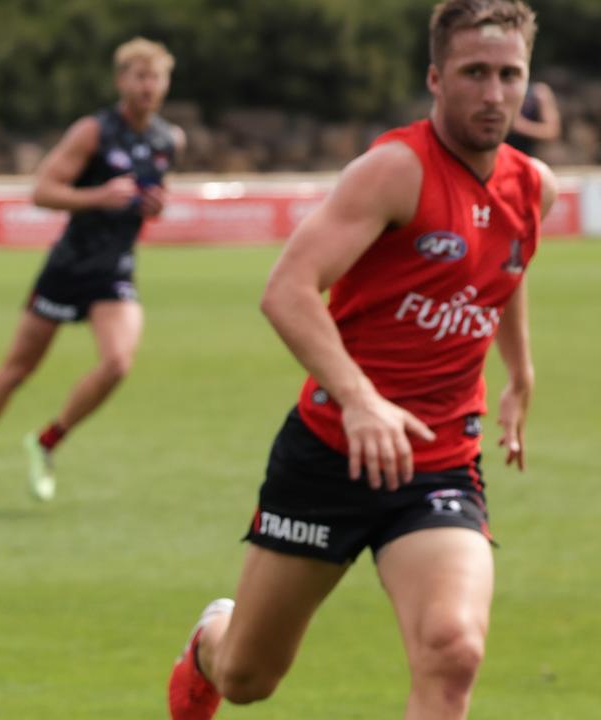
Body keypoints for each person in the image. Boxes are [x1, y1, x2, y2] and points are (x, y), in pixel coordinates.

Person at [166, 2, 556, 718]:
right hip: (331, 452)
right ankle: (206, 643)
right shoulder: (393, 171)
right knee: (248, 677)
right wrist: (360, 398)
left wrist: (521, 373)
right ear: (436, 79)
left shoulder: (533, 186)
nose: (495, 94)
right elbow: (286, 291)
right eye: (475, 73)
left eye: (510, 75)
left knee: (454, 649)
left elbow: (505, 268)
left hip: (439, 462)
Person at [0, 37, 185, 514]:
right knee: (18, 370)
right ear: (122, 81)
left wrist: (153, 207)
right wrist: (100, 196)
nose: (148, 86)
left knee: (118, 363)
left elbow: (145, 200)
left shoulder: (168, 140)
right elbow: (42, 191)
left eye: (156, 77)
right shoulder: (94, 131)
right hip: (69, 267)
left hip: (115, 269)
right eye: (139, 76)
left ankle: (48, 440)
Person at [506, 78, 561, 154]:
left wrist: (520, 125)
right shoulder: (495, 92)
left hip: (527, 155)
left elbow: (551, 131)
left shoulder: (538, 92)